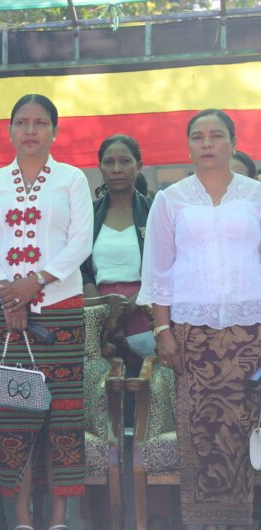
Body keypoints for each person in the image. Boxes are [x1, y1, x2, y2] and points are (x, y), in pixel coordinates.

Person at [0, 94, 93, 530]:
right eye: (22, 122)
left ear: (54, 131)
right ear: (9, 131)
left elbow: (81, 242)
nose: (30, 130)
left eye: (40, 122)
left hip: (60, 311)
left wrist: (36, 281)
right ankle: (20, 520)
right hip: (4, 315)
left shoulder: (72, 179)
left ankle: (57, 520)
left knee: (62, 417)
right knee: (13, 416)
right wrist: (8, 294)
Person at [137, 109, 261, 530]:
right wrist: (162, 330)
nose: (206, 143)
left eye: (216, 135)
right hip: (193, 338)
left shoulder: (255, 195)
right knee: (202, 433)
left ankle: (242, 521)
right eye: (198, 136)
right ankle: (204, 523)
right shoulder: (170, 200)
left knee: (246, 432)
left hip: (250, 334)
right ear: (188, 145)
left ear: (234, 142)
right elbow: (158, 270)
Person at [81, 135, 152, 376]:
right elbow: (81, 268)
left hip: (145, 310)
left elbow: (165, 265)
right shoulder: (87, 215)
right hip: (99, 314)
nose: (117, 169)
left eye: (125, 161)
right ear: (100, 167)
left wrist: (130, 307)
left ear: (138, 166)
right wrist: (103, 311)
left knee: (145, 384)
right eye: (109, 162)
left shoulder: (154, 211)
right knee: (105, 388)